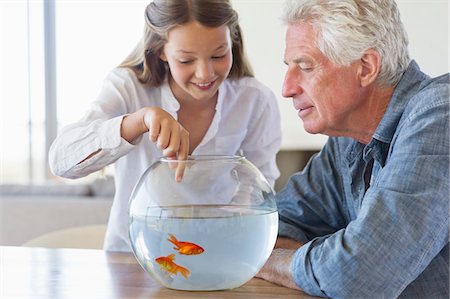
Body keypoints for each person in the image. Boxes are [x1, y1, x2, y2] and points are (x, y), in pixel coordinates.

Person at [49, 0, 281, 252]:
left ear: (232, 41)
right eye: (186, 60)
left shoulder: (255, 99)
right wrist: (138, 121)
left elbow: (260, 184)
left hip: (218, 254)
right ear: (160, 50)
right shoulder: (127, 88)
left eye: (218, 55)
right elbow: (61, 161)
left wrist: (232, 230)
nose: (205, 73)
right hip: (133, 257)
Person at [256, 0, 449, 298]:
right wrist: (331, 258)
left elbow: (358, 274)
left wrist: (276, 262)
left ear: (366, 67)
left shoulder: (440, 116)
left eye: (305, 67)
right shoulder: (347, 137)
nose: (287, 88)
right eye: (289, 67)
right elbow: (269, 227)